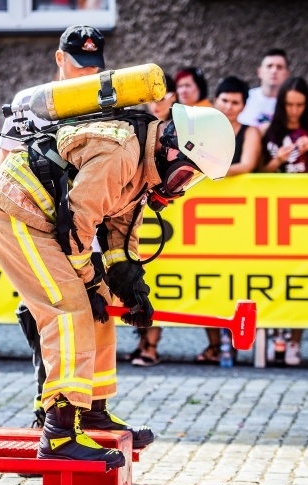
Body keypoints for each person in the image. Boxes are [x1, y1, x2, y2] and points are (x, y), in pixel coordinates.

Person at [0, 101, 234, 468]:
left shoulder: (145, 165)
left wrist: (130, 285)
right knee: (69, 309)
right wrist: (87, 281)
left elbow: (120, 234)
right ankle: (59, 434)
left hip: (50, 220)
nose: (179, 189)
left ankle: (92, 411)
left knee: (100, 300)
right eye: (184, 177)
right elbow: (76, 227)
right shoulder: (121, 154)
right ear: (173, 147)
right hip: (15, 212)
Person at [0, 25, 106, 426]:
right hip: (31, 227)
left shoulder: (105, 102)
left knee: (89, 319)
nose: (87, 73)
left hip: (81, 229)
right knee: (45, 318)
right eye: (78, 65)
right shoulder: (29, 103)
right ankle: (47, 416)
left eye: (93, 66)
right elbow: (2, 170)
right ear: (59, 59)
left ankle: (88, 413)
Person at [194, 76, 262, 364]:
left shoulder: (251, 132)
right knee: (205, 275)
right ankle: (214, 344)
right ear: (216, 101)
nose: (230, 106)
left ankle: (232, 343)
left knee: (234, 277)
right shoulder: (204, 129)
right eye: (225, 100)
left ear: (244, 105)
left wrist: (210, 171)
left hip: (240, 214)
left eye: (236, 102)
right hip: (204, 215)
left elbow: (247, 165)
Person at [259, 76, 308, 366]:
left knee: (302, 278)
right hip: (272, 215)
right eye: (289, 105)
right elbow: (256, 170)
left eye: (300, 105)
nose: (295, 111)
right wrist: (276, 163)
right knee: (272, 275)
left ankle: (296, 341)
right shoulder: (266, 131)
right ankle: (276, 336)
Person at [129, 73, 178, 367]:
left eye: (161, 97)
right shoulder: (139, 124)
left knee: (158, 280)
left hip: (167, 213)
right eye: (152, 99)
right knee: (138, 274)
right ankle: (141, 342)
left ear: (173, 97)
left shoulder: (177, 130)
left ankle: (152, 346)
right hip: (138, 210)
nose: (156, 104)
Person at [238, 48, 290, 127]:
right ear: (259, 72)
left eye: (279, 67)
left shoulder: (295, 103)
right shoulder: (244, 98)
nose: (274, 71)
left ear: (287, 74)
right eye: (269, 66)